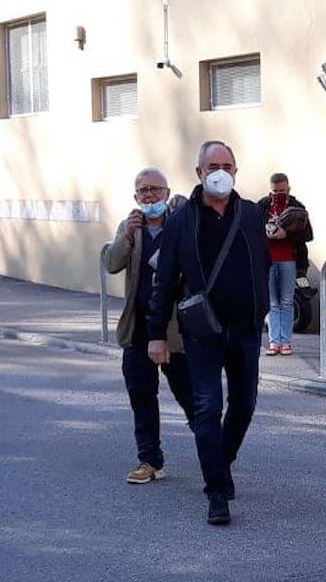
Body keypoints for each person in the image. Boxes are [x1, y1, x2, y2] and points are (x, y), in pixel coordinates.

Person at [147, 140, 271, 526]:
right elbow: (165, 280)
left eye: (227, 165)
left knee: (245, 405)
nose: (221, 171)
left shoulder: (250, 214)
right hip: (203, 332)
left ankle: (221, 462)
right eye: (212, 165)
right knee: (206, 409)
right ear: (199, 172)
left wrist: (262, 311)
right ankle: (217, 491)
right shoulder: (181, 220)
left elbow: (263, 264)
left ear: (236, 171)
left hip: (246, 330)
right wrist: (156, 334)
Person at [106, 168, 193, 485]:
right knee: (141, 395)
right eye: (143, 190)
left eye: (156, 190)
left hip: (175, 330)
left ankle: (215, 453)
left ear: (167, 194)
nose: (150, 196)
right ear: (135, 197)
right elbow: (111, 264)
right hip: (138, 328)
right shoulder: (130, 227)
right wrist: (127, 236)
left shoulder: (180, 223)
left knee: (191, 396)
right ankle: (149, 461)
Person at [257, 173, 314, 356]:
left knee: (287, 301)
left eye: (281, 190)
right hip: (268, 260)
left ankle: (286, 341)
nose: (278, 194)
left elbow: (308, 235)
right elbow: (252, 231)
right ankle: (274, 342)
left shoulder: (297, 207)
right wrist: (266, 233)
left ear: (288, 188)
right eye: (275, 191)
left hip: (290, 259)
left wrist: (286, 235)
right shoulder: (263, 206)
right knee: (272, 302)